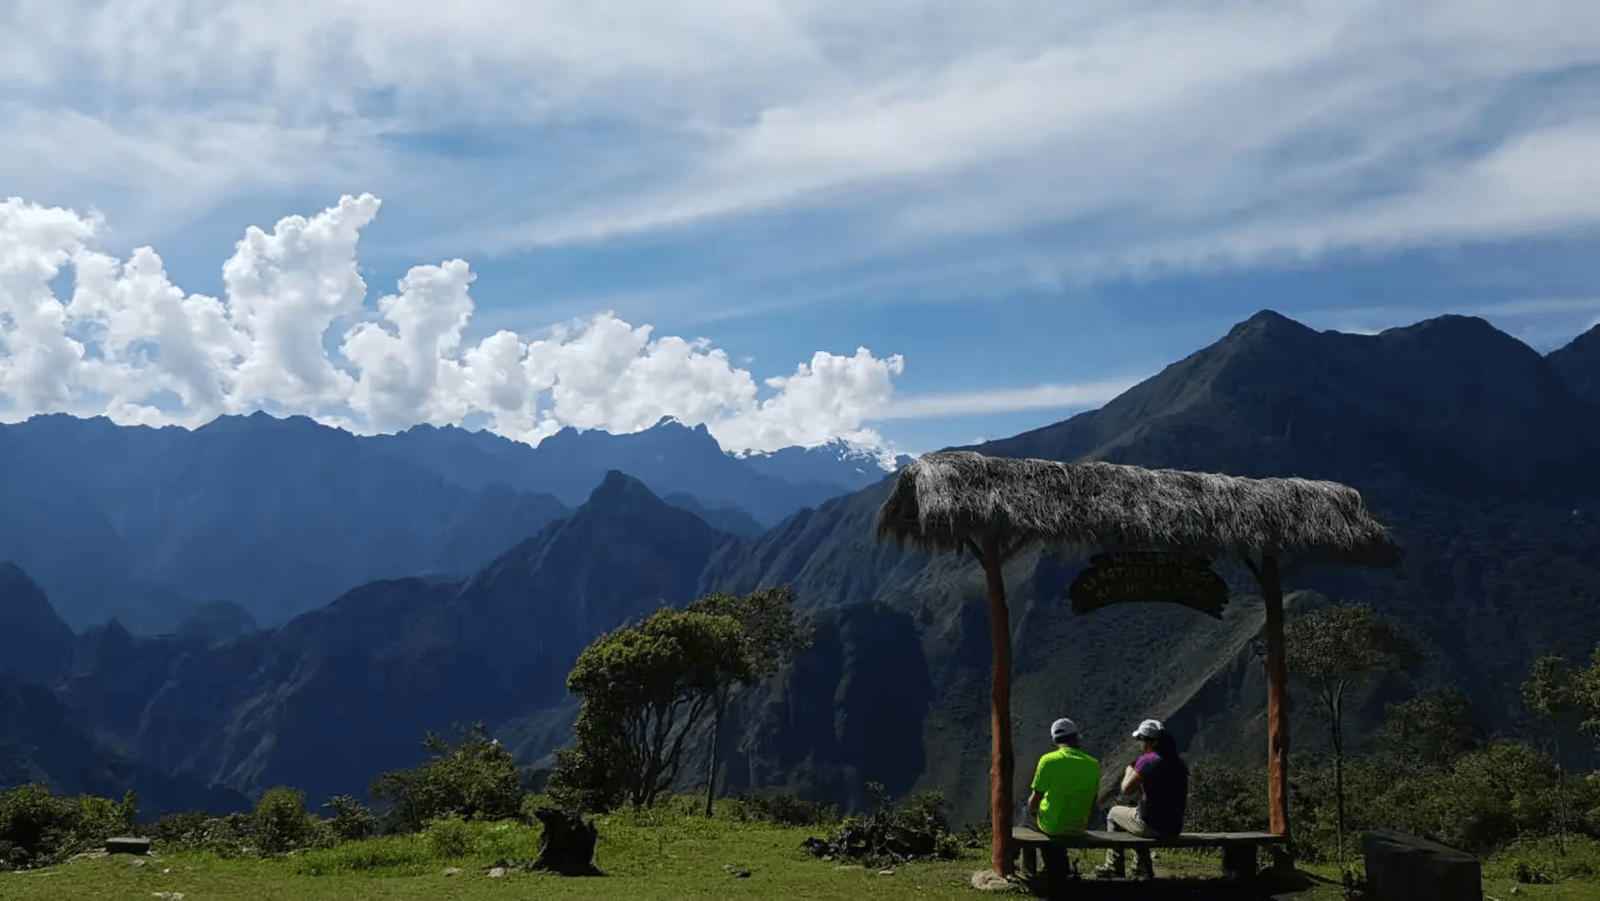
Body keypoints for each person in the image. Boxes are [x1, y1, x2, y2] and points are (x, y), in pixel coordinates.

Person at [1094, 718, 1189, 880]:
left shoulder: (1146, 760)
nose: (1138, 744)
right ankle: (1141, 866)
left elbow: (1125, 790)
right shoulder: (1178, 762)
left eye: (1139, 740)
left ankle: (1113, 866)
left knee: (1114, 814)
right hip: (1174, 827)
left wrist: (1128, 772)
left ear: (1146, 741)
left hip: (1153, 827)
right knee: (1137, 813)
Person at [1026, 717, 1100, 898]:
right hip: (1079, 826)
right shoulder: (1093, 763)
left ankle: (1030, 872)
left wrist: (1032, 810)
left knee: (1027, 819)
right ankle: (1058, 869)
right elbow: (1093, 801)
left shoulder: (1048, 760)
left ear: (1054, 740)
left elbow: (1035, 801)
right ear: (1076, 737)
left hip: (1052, 826)